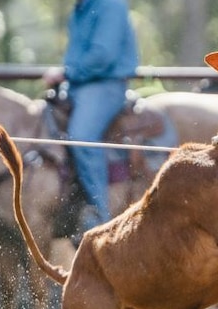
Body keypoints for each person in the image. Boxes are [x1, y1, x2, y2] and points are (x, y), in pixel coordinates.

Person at [42, 0, 139, 236]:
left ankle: (100, 215)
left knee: (81, 136)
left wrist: (67, 72)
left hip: (105, 84)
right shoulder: (81, 7)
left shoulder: (110, 5)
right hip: (79, 84)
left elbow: (103, 55)